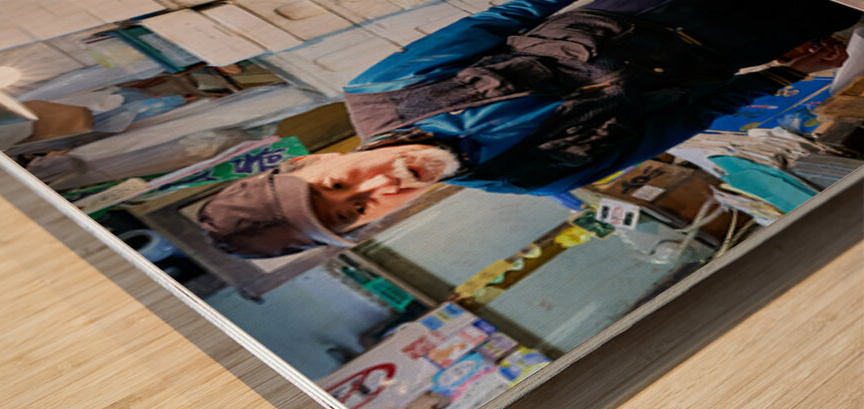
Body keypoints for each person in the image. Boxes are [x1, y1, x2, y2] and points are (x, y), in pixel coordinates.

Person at [199, 0, 858, 258]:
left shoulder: (386, 92)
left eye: (340, 183)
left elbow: (516, 11)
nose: (379, 184)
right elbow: (684, 118)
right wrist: (778, 75)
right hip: (745, 32)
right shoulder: (532, 177)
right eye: (357, 211)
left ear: (308, 163)